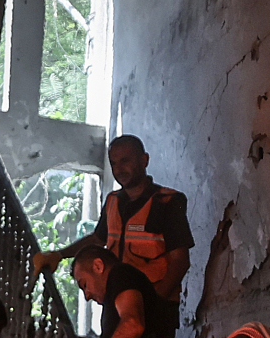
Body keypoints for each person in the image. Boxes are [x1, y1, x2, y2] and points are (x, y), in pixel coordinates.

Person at [35, 135, 194, 328]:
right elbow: (97, 239)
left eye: (125, 161)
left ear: (144, 160)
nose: (119, 169)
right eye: (114, 163)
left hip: (156, 308)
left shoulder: (167, 202)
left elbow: (180, 261)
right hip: (117, 303)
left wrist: (154, 303)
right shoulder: (113, 201)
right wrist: (59, 255)